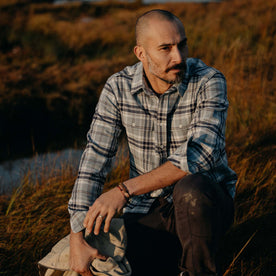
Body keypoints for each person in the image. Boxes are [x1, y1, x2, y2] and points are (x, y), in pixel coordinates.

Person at [68, 9, 237, 276]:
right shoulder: (117, 88)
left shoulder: (208, 80)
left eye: (182, 44)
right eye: (165, 48)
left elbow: (198, 157)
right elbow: (94, 161)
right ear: (141, 53)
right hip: (147, 208)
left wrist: (122, 191)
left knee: (191, 189)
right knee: (111, 264)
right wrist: (76, 237)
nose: (179, 57)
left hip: (206, 204)